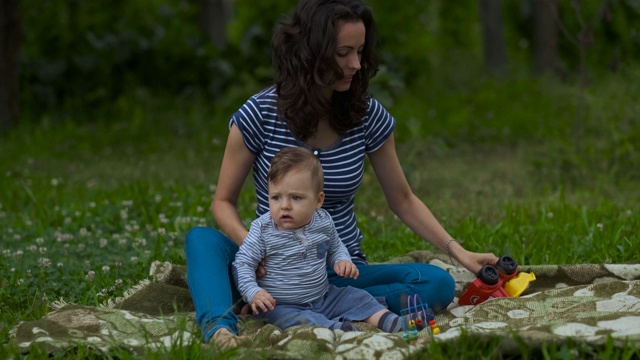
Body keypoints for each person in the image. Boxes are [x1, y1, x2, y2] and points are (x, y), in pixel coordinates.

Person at [185, 0, 498, 347]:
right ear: (310, 53)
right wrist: (254, 250)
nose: (355, 64)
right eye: (343, 53)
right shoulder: (259, 113)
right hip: (269, 264)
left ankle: (305, 308)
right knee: (202, 241)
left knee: (436, 284)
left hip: (340, 272)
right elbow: (222, 202)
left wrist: (460, 252)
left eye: (360, 51)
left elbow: (403, 200)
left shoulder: (367, 115)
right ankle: (221, 328)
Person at [232, 147, 406, 333]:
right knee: (290, 319)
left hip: (323, 296)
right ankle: (335, 328)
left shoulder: (323, 221)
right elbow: (242, 264)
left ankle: (389, 320)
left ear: (318, 200)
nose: (284, 206)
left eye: (296, 197)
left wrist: (341, 260)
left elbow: (335, 246)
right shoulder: (263, 229)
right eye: (276, 197)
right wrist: (253, 293)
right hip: (281, 303)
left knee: (356, 296)